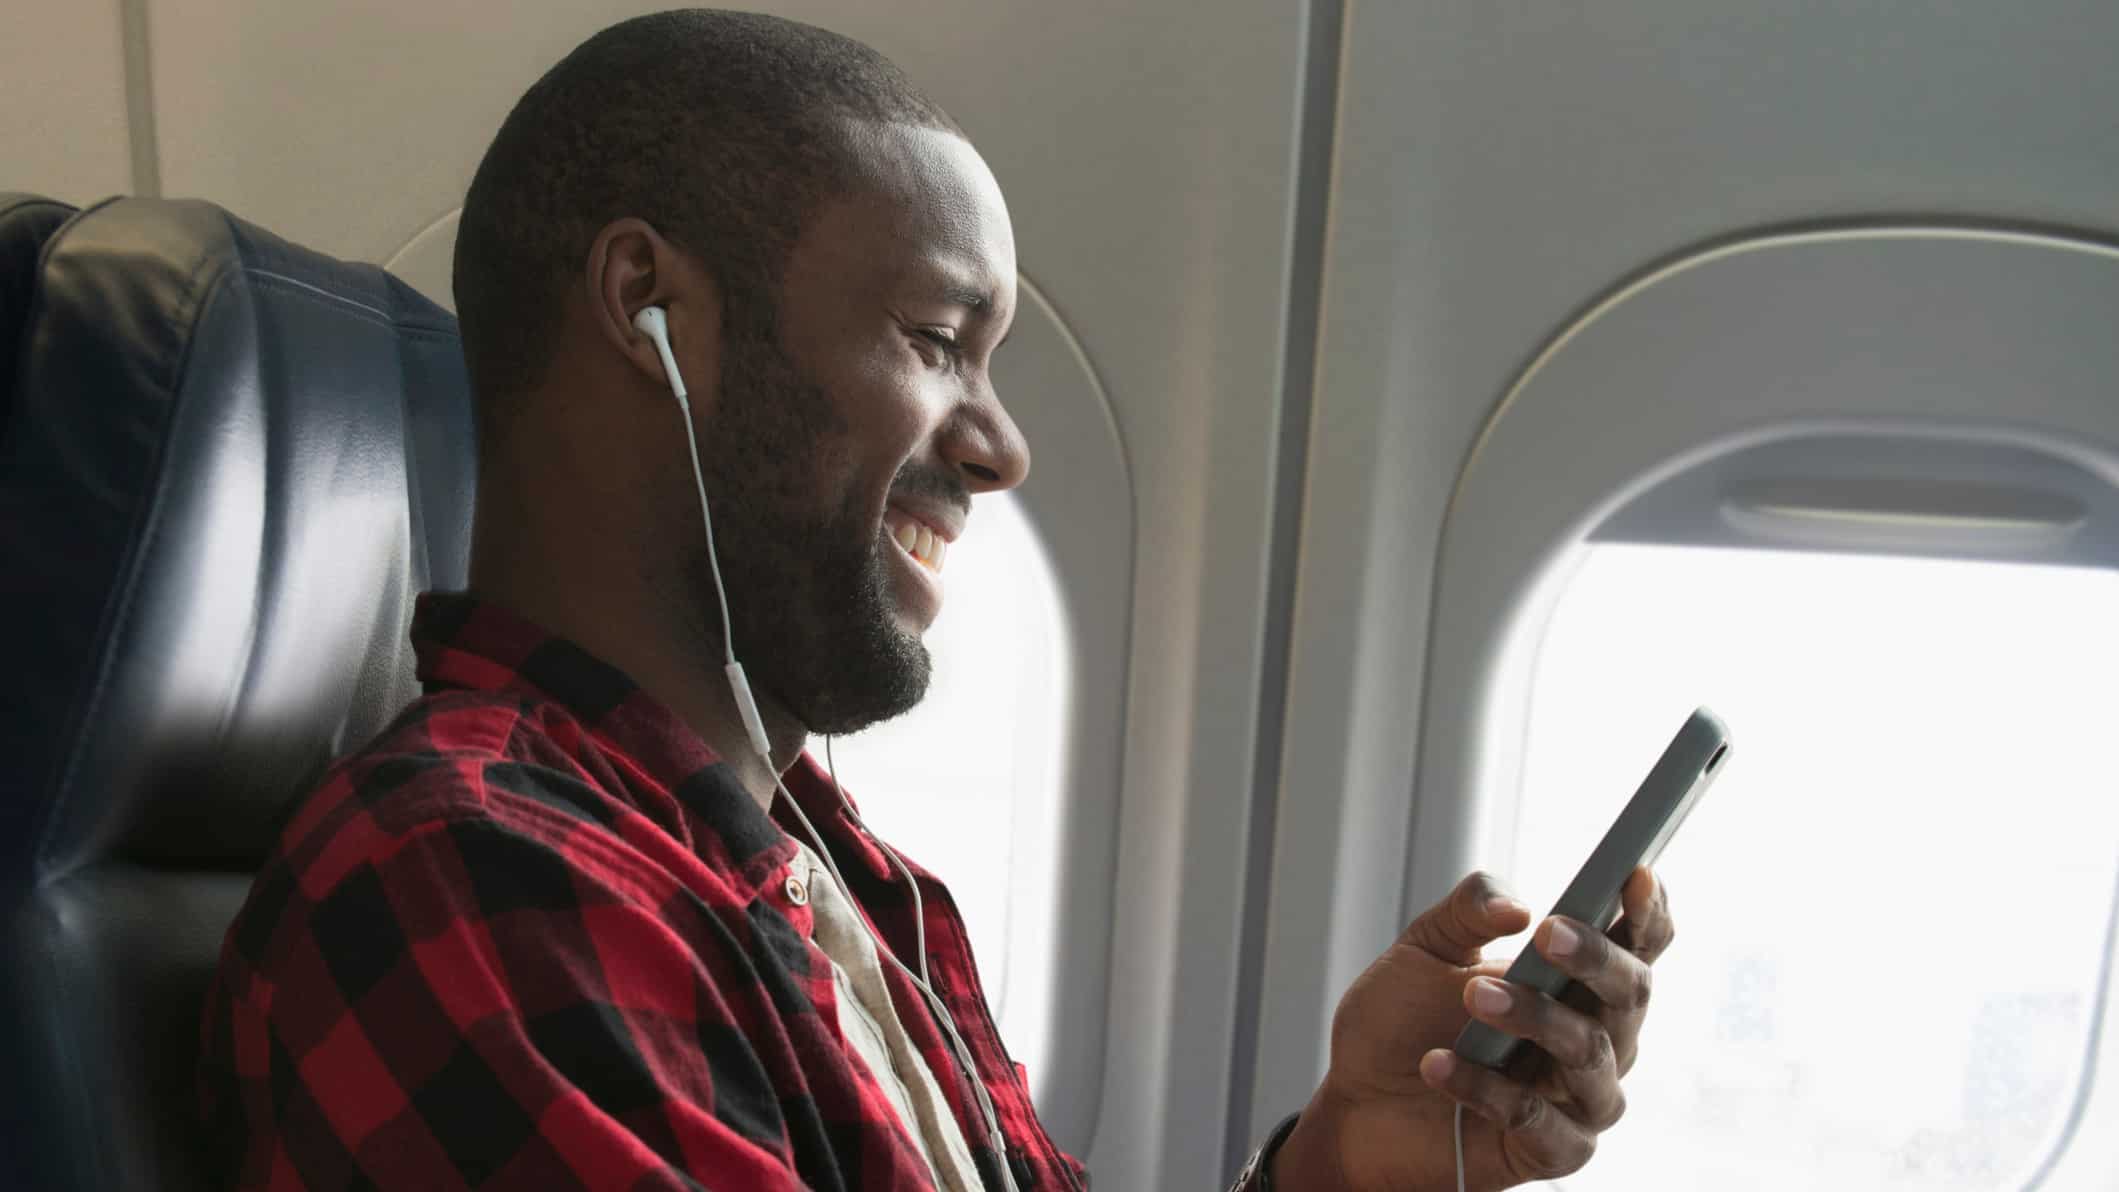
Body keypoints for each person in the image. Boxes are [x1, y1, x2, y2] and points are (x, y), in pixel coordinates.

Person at [197, 10, 1675, 1190]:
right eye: (936, 338)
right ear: (651, 306)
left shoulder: (845, 878)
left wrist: (1349, 1155)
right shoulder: (470, 880)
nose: (1002, 445)